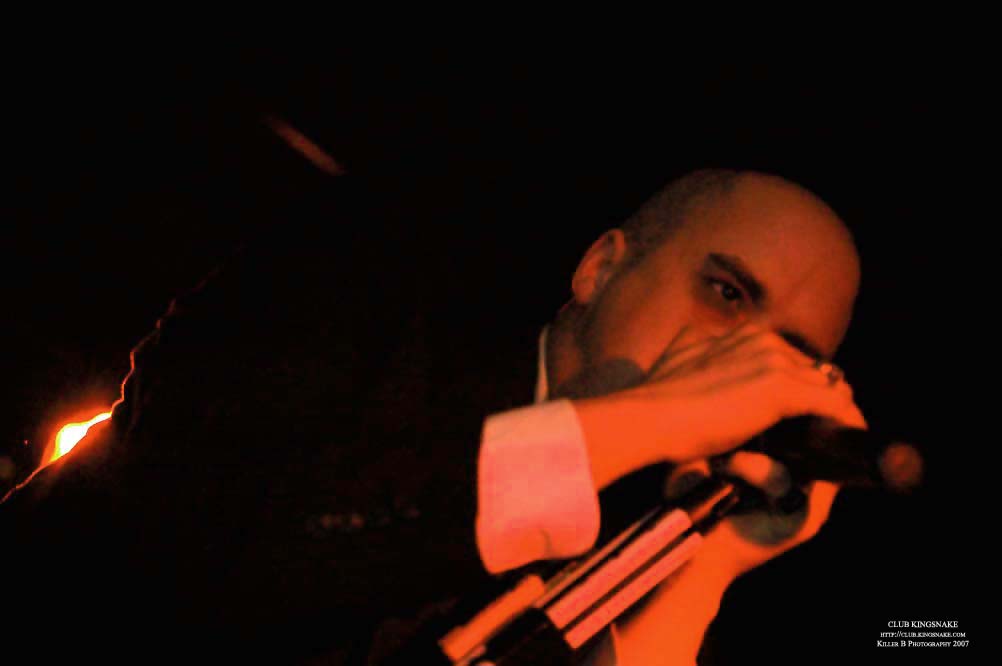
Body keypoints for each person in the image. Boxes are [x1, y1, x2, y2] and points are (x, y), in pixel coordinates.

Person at [0, 168, 865, 665]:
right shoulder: (343, 297)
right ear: (601, 267)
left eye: (787, 354)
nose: (746, 363)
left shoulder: (642, 531)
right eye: (725, 294)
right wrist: (647, 417)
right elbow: (219, 557)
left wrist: (702, 577)